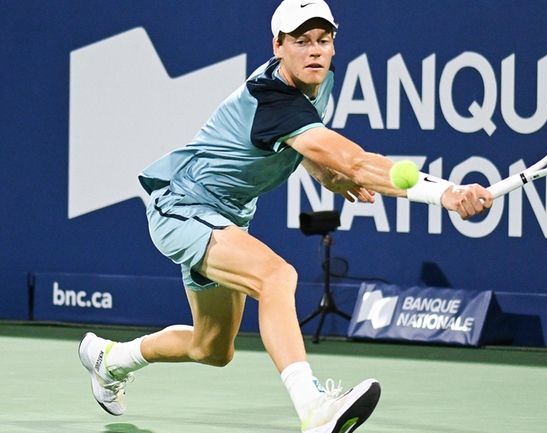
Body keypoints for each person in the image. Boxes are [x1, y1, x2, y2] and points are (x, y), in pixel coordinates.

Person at [77, 1, 493, 432]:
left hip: (226, 216)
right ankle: (313, 407)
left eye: (323, 41)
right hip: (182, 207)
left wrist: (325, 176)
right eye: (301, 42)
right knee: (276, 277)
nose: (314, 51)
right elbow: (354, 161)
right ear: (278, 46)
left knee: (212, 348)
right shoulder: (271, 97)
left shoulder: (317, 82)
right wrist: (446, 193)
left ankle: (110, 360)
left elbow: (304, 145)